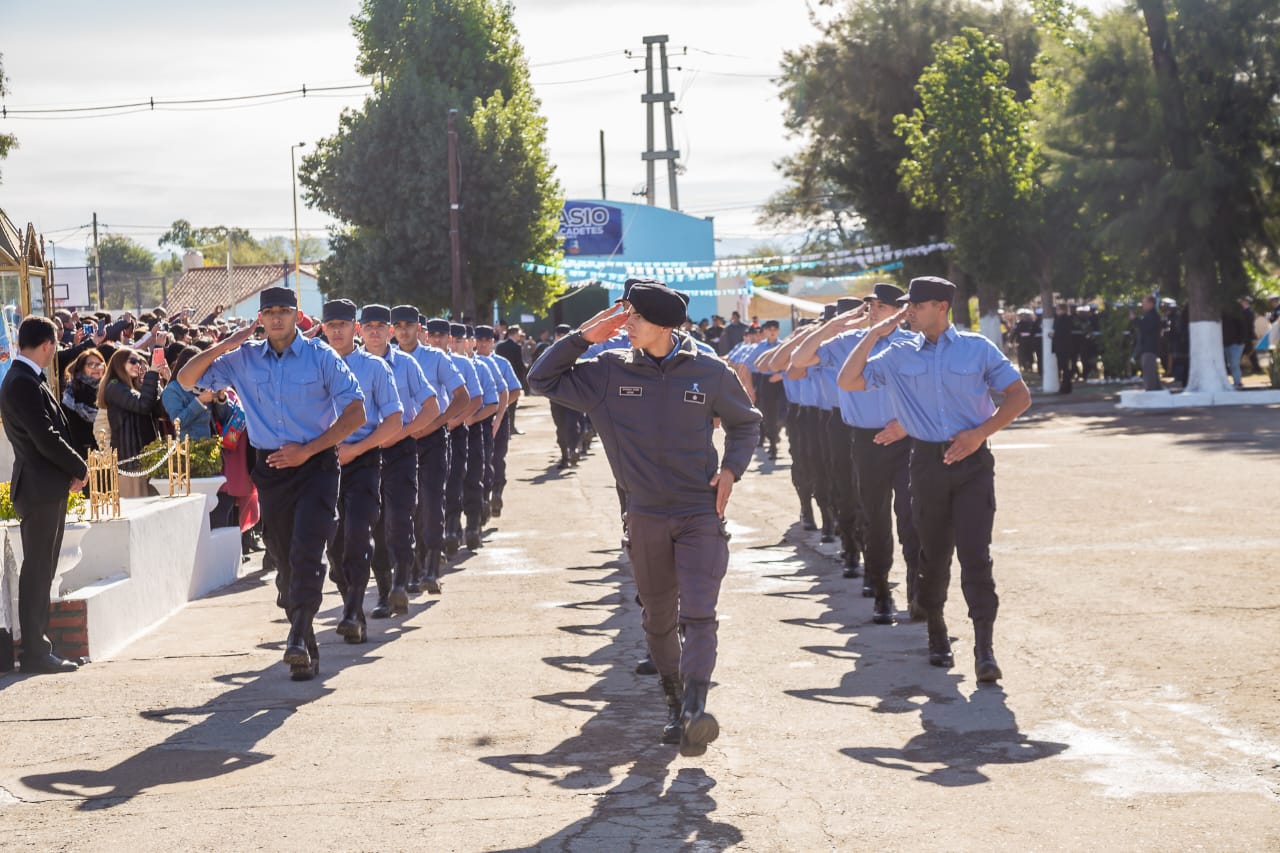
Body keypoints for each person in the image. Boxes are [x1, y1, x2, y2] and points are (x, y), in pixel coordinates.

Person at [529, 281, 762, 757]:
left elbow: (746, 422)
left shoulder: (710, 372)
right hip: (646, 513)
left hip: (699, 510)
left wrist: (731, 470)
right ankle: (676, 704)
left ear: (661, 324)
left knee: (699, 614)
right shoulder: (607, 371)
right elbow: (541, 380)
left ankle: (697, 710)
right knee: (657, 620)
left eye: (632, 316)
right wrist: (584, 336)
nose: (623, 323)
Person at [838, 276, 1030, 683]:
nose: (908, 312)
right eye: (906, 306)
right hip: (926, 462)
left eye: (916, 305)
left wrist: (981, 433)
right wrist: (873, 333)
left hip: (973, 462)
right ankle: (937, 631)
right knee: (934, 555)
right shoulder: (899, 353)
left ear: (941, 306)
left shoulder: (977, 348)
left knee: (977, 555)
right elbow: (848, 381)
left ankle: (984, 648)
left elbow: (1018, 395)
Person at [178, 286, 366, 681]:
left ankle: (296, 636)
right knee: (282, 560)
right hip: (271, 469)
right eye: (269, 312)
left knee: (308, 551)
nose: (277, 318)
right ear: (260, 318)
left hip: (315, 466)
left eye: (284, 311)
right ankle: (305, 636)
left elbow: (356, 412)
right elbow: (186, 378)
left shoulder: (321, 356)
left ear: (298, 315)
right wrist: (228, 341)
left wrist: (309, 449)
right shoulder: (242, 359)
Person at [0, 316, 89, 674]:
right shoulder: (21, 381)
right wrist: (79, 466)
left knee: (44, 568)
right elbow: (44, 435)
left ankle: (41, 646)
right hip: (38, 487)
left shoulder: (25, 378)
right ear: (48, 345)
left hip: (45, 485)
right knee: (38, 570)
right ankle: (36, 651)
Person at [321, 300, 404, 642]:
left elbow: (394, 420)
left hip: (363, 462)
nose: (337, 330)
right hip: (320, 464)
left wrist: (357, 448)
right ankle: (349, 599)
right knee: (333, 546)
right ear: (323, 328)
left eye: (344, 323)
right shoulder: (312, 364)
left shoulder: (373, 368)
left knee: (357, 534)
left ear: (355, 328)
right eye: (331, 324)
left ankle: (355, 611)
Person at [363, 305, 441, 602]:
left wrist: (404, 432)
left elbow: (431, 408)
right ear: (361, 330)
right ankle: (384, 591)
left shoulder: (407, 364)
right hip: (362, 452)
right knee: (374, 523)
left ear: (389, 331)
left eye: (380, 326)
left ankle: (401, 581)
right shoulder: (346, 364)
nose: (374, 331)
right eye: (368, 326)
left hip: (401, 450)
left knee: (400, 516)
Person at [98, 347, 170, 498]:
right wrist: (152, 374)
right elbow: (143, 406)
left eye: (139, 362)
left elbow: (162, 411)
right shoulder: (115, 385)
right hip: (130, 465)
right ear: (119, 363)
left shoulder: (138, 388)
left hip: (148, 461)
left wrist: (167, 380)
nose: (138, 365)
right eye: (133, 361)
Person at [60, 348, 106, 460]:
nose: (96, 368)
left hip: (108, 455)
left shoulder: (109, 389)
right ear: (81, 368)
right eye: (91, 365)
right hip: (82, 455)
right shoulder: (73, 391)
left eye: (99, 364)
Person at [1137, 295, 1163, 391]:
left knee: (1149, 371)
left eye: (1145, 303)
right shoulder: (1149, 316)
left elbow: (1147, 328)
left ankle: (1151, 390)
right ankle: (1156, 390)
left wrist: (1136, 320)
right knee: (1150, 371)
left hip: (1150, 348)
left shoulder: (1153, 316)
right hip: (1147, 348)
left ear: (1151, 304)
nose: (1143, 305)